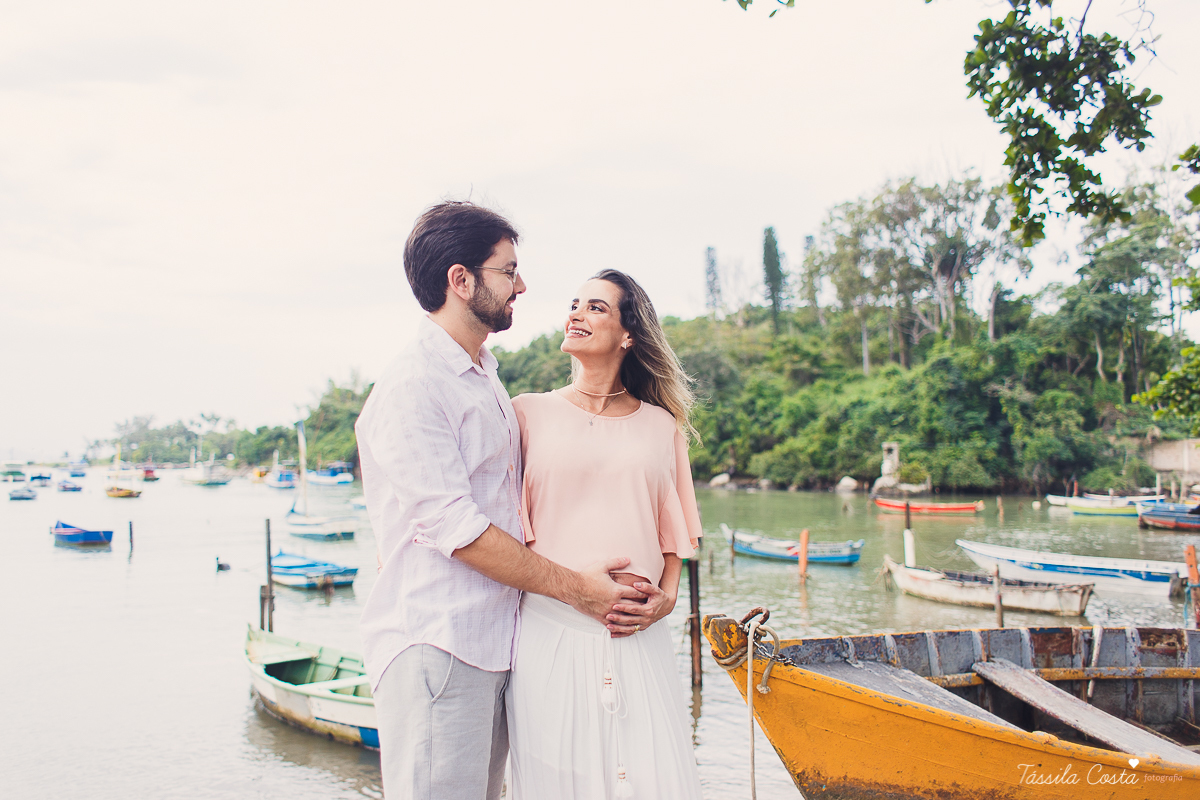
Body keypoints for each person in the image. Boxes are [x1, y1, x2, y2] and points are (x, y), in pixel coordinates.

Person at [356, 202, 651, 800]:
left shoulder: (483, 374)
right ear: (460, 280)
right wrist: (577, 589)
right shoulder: (415, 385)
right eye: (508, 270)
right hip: (439, 643)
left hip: (496, 645)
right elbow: (458, 529)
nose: (522, 285)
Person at [505, 269, 705, 799]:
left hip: (637, 635)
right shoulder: (525, 412)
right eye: (574, 304)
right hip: (548, 632)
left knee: (652, 780)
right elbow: (506, 530)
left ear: (628, 334)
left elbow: (676, 534)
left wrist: (666, 600)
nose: (576, 313)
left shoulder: (662, 425)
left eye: (595, 307)